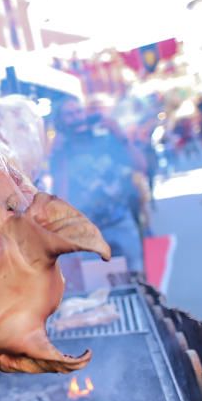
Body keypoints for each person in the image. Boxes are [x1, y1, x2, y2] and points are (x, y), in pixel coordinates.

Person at [49, 97, 146, 275]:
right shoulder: (62, 152)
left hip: (120, 222)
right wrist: (59, 153)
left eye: (78, 112)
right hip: (88, 231)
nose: (76, 117)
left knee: (137, 277)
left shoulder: (107, 140)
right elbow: (61, 198)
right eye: (69, 115)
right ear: (61, 122)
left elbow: (141, 165)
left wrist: (119, 134)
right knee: (98, 284)